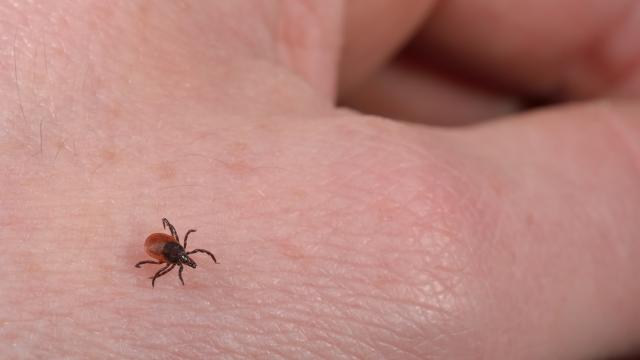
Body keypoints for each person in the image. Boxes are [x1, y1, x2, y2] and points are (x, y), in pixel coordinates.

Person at [1, 1, 638, 358]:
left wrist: (162, 260)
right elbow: (168, 241)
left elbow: (170, 240)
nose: (179, 256)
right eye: (180, 256)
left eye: (179, 256)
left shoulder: (171, 250)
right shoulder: (169, 250)